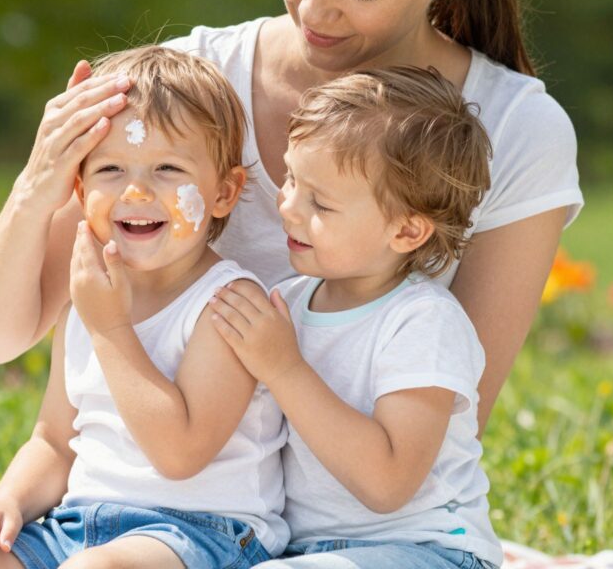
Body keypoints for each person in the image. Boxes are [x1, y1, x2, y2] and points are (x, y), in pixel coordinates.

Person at [0, 0, 583, 435]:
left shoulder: (514, 128)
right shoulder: (182, 89)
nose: (315, 9)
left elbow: (451, 425)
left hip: (352, 511)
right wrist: (39, 184)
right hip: (165, 498)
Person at [0, 46, 288, 569]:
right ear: (78, 185)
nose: (137, 190)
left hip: (201, 533)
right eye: (111, 169)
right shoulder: (87, 293)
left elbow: (180, 454)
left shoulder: (228, 302)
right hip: (77, 525)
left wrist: (110, 327)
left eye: (167, 168)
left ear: (225, 192)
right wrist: (5, 502)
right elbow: (54, 439)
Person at [210, 66, 502, 568]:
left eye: (320, 202)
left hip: (430, 551)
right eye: (292, 178)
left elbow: (387, 483)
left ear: (408, 232)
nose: (289, 208)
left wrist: (283, 369)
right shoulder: (290, 301)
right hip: (302, 551)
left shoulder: (422, 323)